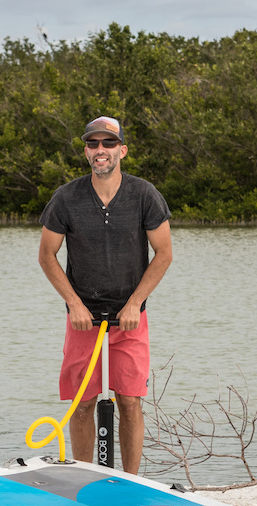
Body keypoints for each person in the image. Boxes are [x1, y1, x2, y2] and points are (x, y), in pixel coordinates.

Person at [37, 116, 173, 474]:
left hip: (129, 318)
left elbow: (164, 254)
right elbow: (47, 255)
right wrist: (74, 303)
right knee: (83, 403)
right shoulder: (66, 197)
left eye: (109, 144)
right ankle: (83, 479)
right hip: (83, 320)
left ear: (122, 150)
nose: (101, 151)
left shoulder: (144, 194)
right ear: (86, 151)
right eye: (94, 144)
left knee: (129, 401)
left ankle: (130, 481)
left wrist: (133, 304)